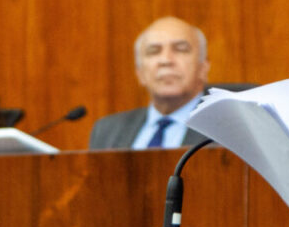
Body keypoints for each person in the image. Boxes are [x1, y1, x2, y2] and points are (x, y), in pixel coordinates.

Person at [88, 16, 211, 149]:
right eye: (154, 51)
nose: (166, 60)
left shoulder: (225, 128)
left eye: (180, 49)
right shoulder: (107, 131)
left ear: (203, 68)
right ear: (140, 73)